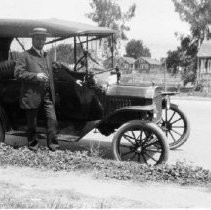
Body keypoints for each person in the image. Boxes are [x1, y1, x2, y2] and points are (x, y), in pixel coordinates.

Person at [14, 28, 59, 152]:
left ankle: (53, 147)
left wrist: (75, 78)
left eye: (43, 39)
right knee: (32, 123)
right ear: (33, 39)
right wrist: (36, 76)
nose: (41, 41)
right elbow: (18, 73)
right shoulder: (24, 55)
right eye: (38, 39)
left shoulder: (47, 55)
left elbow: (58, 68)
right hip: (32, 94)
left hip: (47, 94)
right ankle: (33, 146)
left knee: (52, 119)